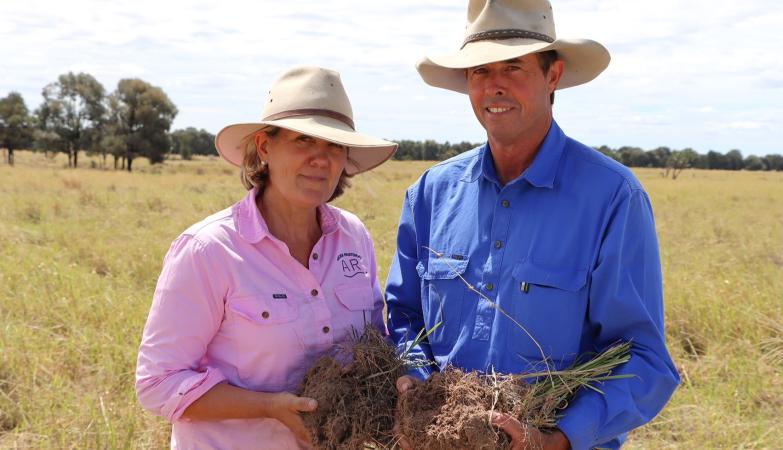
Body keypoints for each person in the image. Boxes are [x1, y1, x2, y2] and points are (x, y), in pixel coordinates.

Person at [385, 1, 680, 449]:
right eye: (480, 71)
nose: (494, 86)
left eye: (514, 67)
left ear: (553, 76)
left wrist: (555, 438)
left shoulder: (612, 198)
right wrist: (416, 384)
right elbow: (404, 314)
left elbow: (644, 359)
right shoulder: (430, 194)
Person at [135, 66, 397, 449]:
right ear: (264, 147)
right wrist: (269, 407)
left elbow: (373, 344)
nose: (320, 159)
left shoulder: (353, 237)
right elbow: (157, 384)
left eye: (334, 146)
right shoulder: (210, 250)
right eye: (303, 141)